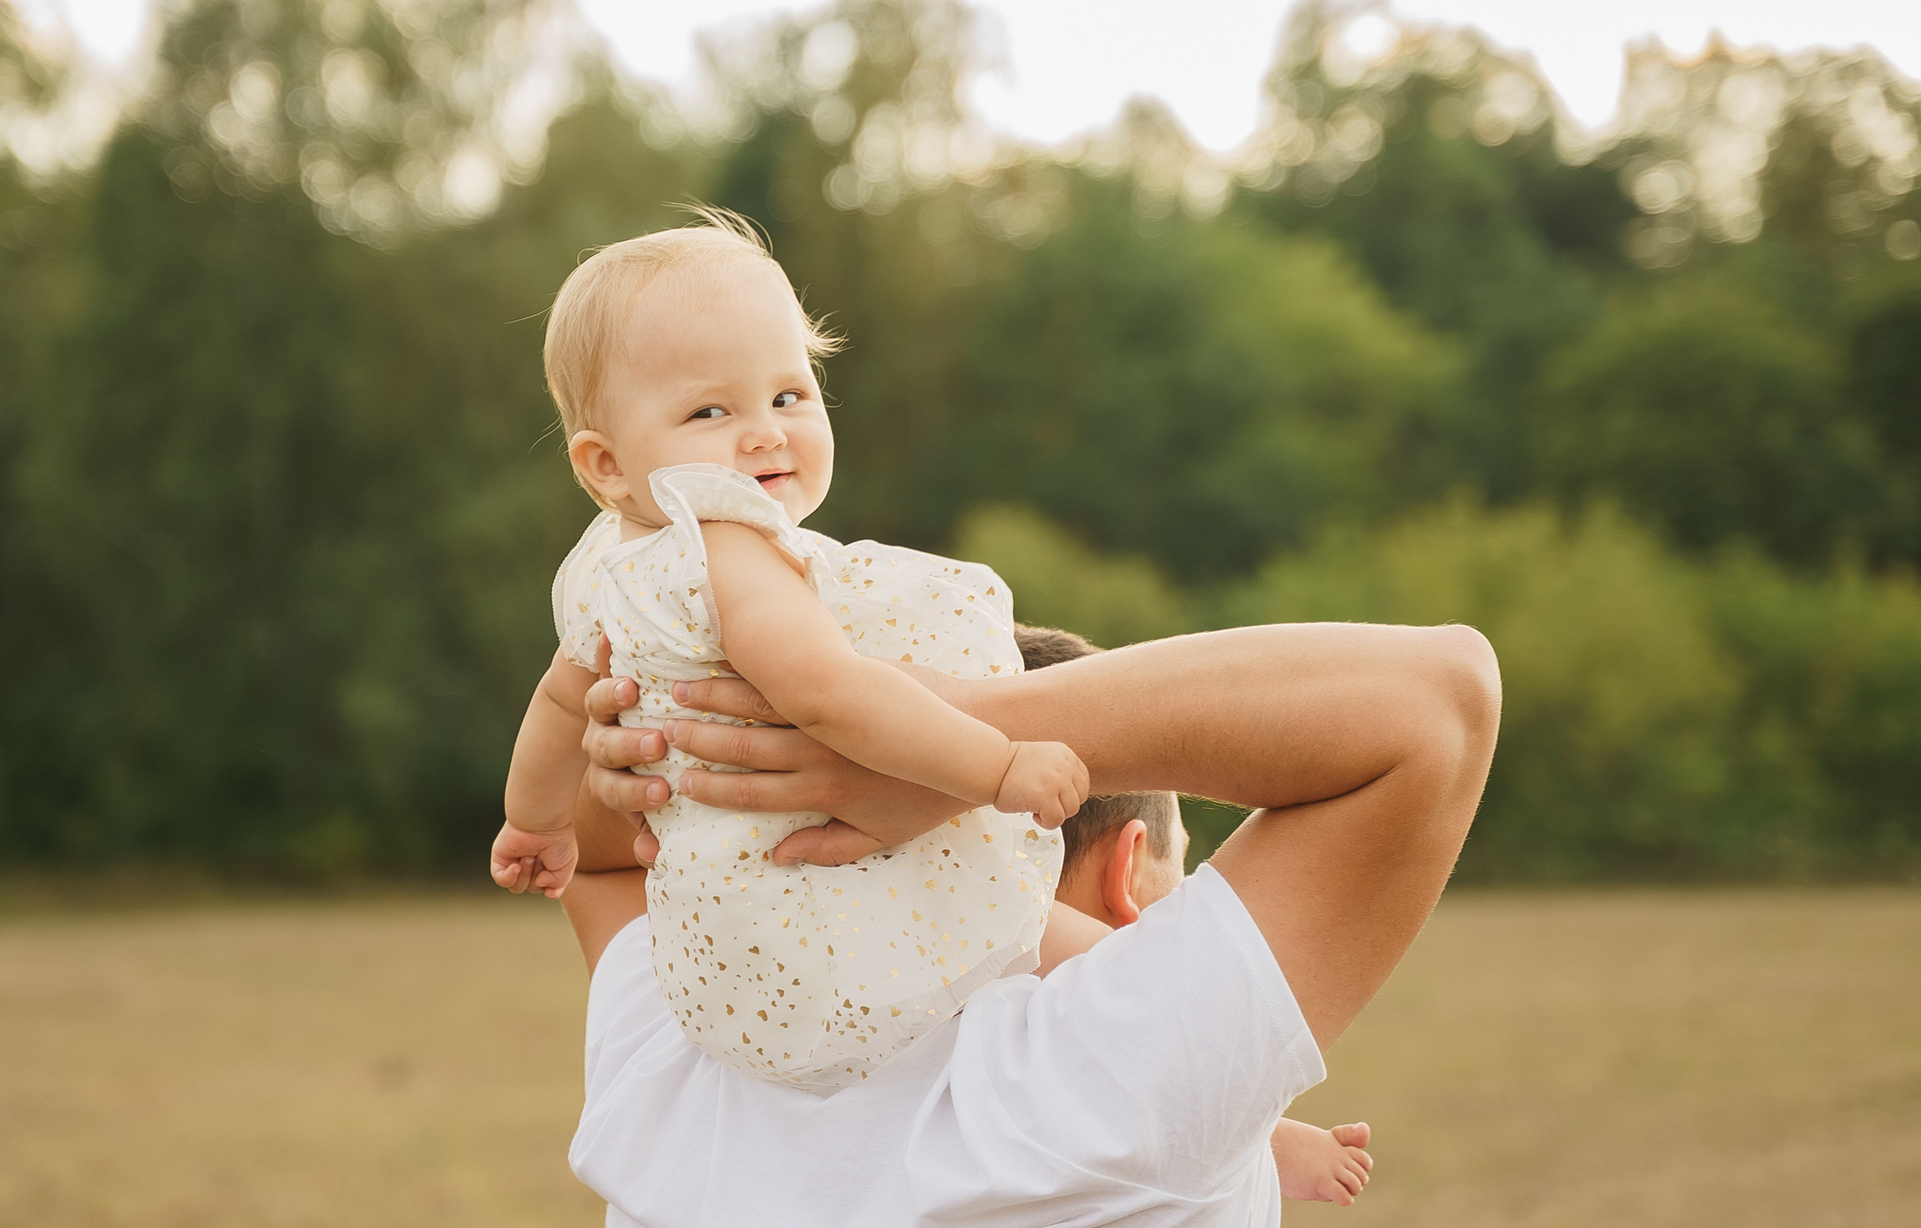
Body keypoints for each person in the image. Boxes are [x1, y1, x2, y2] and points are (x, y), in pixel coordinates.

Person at [556, 591, 1498, 1224]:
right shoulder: (1109, 1085)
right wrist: (969, 744)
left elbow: (593, 857)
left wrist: (775, 755)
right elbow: (1440, 701)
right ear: (1128, 872)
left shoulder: (680, 1048)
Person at [492, 211, 1088, 1092]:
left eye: (789, 394)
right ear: (607, 463)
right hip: (820, 902)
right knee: (1066, 961)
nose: (766, 431)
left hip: (719, 940)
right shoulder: (726, 548)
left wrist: (534, 822)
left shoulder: (599, 566)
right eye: (710, 410)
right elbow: (828, 694)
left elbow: (556, 700)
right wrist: (996, 766)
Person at [1017, 623, 1374, 1212]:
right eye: (1180, 865)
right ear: (1128, 869)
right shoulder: (1127, 1065)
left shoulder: (877, 995)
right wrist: (1264, 1134)